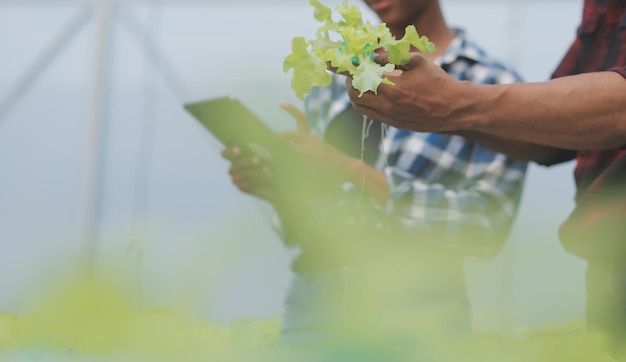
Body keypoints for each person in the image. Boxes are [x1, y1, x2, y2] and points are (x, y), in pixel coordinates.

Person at [221, 0, 528, 353]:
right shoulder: (337, 78)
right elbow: (318, 223)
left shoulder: (488, 83)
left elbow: (485, 227)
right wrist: (281, 191)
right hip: (318, 300)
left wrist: (349, 169)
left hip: (422, 303)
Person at [339, 0, 626, 353]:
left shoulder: (487, 78)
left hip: (426, 295)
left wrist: (456, 104)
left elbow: (484, 224)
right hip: (607, 262)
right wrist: (444, 112)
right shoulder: (603, 8)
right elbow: (553, 136)